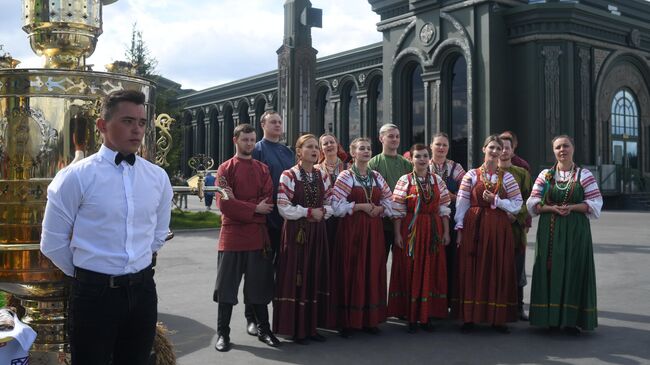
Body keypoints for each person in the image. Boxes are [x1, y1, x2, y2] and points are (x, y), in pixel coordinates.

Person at [40, 90, 173, 365]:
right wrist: (91, 273)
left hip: (143, 291)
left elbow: (159, 233)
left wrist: (135, 264)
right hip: (94, 294)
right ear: (102, 126)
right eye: (127, 121)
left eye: (141, 122)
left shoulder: (157, 177)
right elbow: (52, 243)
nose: (137, 129)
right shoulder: (75, 178)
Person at [213, 123, 280, 352]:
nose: (250, 144)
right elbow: (224, 204)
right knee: (226, 289)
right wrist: (254, 209)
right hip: (231, 237)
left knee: (258, 286)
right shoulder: (224, 169)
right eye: (245, 140)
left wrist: (241, 205)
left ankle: (264, 329)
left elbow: (268, 203)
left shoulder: (263, 169)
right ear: (236, 140)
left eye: (252, 140)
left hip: (257, 237)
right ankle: (223, 334)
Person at [526, 135, 602, 335]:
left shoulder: (584, 175)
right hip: (549, 229)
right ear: (554, 151)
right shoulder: (545, 175)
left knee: (573, 269)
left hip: (576, 229)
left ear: (573, 149)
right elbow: (532, 203)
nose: (562, 150)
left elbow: (595, 203)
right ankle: (550, 318)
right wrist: (552, 209)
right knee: (550, 268)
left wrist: (572, 207)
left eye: (566, 146)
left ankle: (570, 321)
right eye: (558, 147)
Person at [452, 135, 522, 334]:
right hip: (475, 224)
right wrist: (459, 229)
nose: (494, 151)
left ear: (502, 153)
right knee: (472, 267)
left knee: (496, 267)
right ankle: (469, 317)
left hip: (499, 228)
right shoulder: (471, 175)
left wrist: (496, 200)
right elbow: (463, 203)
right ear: (484, 149)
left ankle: (497, 318)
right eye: (491, 147)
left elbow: (517, 205)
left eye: (498, 149)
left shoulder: (507, 177)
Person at [330, 137, 395, 337]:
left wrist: (381, 208)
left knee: (372, 269)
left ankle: (369, 319)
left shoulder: (376, 176)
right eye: (362, 149)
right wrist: (358, 206)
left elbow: (389, 199)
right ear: (353, 153)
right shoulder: (346, 176)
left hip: (373, 229)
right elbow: (335, 205)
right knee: (351, 270)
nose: (366, 151)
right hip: (352, 229)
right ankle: (348, 321)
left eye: (368, 149)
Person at [274, 134, 333, 344]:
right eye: (309, 147)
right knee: (297, 276)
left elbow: (331, 201)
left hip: (317, 232)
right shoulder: (288, 175)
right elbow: (283, 207)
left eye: (317, 147)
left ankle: (311, 327)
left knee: (313, 274)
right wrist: (309, 213)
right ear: (299, 152)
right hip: (296, 233)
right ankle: (296, 328)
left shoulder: (322, 175)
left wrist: (324, 211)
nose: (315, 150)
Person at [389, 144, 451, 333]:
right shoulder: (405, 180)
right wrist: (398, 234)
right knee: (411, 270)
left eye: (425, 156)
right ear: (412, 160)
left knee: (431, 270)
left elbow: (444, 208)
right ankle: (411, 316)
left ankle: (426, 315)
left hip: (432, 230)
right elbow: (397, 210)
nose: (422, 159)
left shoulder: (437, 180)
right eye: (418, 156)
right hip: (412, 231)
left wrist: (446, 232)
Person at [250, 110, 295, 336]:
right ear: (263, 125)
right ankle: (253, 317)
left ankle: (279, 317)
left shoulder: (288, 151)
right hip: (264, 220)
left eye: (279, 122)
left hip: (285, 220)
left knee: (281, 271)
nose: (277, 125)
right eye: (273, 122)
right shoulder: (257, 149)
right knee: (259, 272)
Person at [498, 135, 533, 321]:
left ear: (512, 150)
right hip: (494, 229)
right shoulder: (488, 173)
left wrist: (517, 217)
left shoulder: (522, 173)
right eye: (500, 147)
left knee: (517, 269)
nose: (503, 151)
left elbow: (530, 199)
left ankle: (519, 307)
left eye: (507, 148)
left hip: (516, 230)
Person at [429, 132, 466, 301]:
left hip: (450, 220)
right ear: (431, 146)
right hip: (428, 220)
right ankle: (430, 299)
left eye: (444, 145)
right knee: (431, 259)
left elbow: (466, 193)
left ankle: (448, 299)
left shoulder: (455, 168)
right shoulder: (424, 165)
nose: (441, 148)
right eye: (438, 144)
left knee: (450, 259)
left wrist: (449, 196)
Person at [368, 124, 412, 259]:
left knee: (402, 265)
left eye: (397, 136)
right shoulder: (373, 163)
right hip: (381, 224)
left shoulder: (406, 164)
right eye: (391, 136)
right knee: (380, 262)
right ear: (381, 138)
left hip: (403, 222)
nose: (395, 139)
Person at [314, 133, 348, 257]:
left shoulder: (348, 168)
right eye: (325, 143)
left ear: (337, 145)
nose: (329, 145)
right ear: (321, 149)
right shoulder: (316, 169)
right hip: (325, 218)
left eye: (332, 142)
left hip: (345, 218)